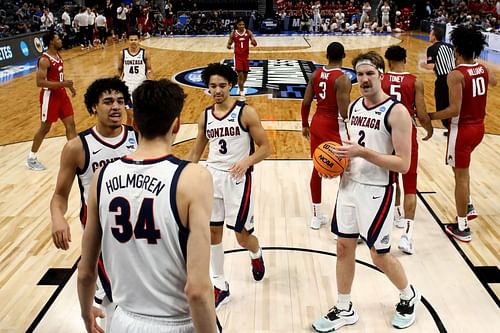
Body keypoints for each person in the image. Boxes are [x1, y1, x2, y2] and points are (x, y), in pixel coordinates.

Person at [77, 79, 219, 333]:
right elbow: (197, 290)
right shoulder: (194, 178)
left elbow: (87, 270)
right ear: (177, 124)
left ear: (134, 123)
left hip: (122, 321)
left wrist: (86, 311)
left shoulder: (102, 177)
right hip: (177, 323)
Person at [312, 51, 420, 332]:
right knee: (343, 247)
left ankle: (408, 295)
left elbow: (404, 164)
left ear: (381, 75)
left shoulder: (397, 112)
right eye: (359, 74)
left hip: (377, 190)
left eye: (370, 73)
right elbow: (351, 149)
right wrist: (333, 165)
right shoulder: (356, 106)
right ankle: (344, 307)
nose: (364, 79)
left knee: (379, 254)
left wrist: (363, 152)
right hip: (349, 185)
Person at [50, 77, 137, 331]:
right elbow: (59, 196)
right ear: (93, 108)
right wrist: (58, 217)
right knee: (112, 296)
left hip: (137, 227)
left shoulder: (137, 137)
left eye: (121, 101)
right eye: (108, 101)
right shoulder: (77, 147)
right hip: (100, 234)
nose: (116, 107)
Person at [187, 63, 271, 309]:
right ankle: (219, 284)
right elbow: (196, 150)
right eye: (212, 86)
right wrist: (182, 175)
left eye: (222, 86)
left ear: (231, 86)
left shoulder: (245, 113)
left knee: (242, 237)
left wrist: (246, 161)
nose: (217, 90)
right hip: (213, 177)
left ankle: (256, 253)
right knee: (213, 233)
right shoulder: (205, 115)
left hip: (238, 179)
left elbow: (266, 147)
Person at [429, 25, 497, 242]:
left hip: (462, 130)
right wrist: (478, 62)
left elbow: (454, 110)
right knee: (461, 172)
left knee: (460, 176)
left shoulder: (455, 75)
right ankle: (466, 204)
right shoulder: (483, 70)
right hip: (479, 128)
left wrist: (428, 116)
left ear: (457, 49)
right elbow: (494, 80)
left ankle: (462, 227)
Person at [382, 45, 433, 254]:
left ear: (388, 61)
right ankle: (407, 237)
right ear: (405, 58)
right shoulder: (415, 81)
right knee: (410, 183)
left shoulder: (381, 79)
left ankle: (393, 214)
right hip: (407, 134)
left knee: (388, 180)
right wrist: (429, 128)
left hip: (385, 133)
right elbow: (421, 113)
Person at [301, 42, 351, 230]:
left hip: (317, 123)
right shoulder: (342, 79)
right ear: (344, 55)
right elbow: (344, 112)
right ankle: (341, 221)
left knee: (318, 167)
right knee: (345, 171)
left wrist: (304, 123)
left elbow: (306, 102)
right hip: (334, 126)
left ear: (326, 55)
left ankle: (316, 215)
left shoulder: (315, 74)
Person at [27, 31, 76, 171]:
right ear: (51, 42)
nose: (60, 40)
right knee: (45, 128)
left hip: (62, 95)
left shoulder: (58, 55)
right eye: (58, 38)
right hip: (50, 97)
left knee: (70, 125)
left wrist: (70, 88)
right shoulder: (44, 60)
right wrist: (63, 84)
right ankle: (31, 158)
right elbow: (40, 82)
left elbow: (60, 77)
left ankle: (76, 154)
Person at [420, 26, 455, 135]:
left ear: (434, 37)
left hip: (443, 80)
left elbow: (431, 66)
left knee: (441, 106)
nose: (429, 36)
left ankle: (448, 127)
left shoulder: (432, 49)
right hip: (455, 78)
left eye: (430, 34)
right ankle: (453, 128)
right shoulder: (450, 46)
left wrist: (422, 65)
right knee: (452, 104)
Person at [118, 29, 153, 125]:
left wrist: (150, 81)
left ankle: (141, 135)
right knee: (130, 115)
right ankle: (129, 136)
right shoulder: (123, 53)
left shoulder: (145, 53)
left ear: (139, 40)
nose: (133, 42)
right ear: (128, 40)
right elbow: (119, 69)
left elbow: (149, 69)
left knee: (141, 115)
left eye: (135, 39)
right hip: (127, 87)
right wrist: (119, 82)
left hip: (141, 87)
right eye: (131, 40)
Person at [226, 18, 257, 100]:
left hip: (246, 57)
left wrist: (254, 42)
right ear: (237, 25)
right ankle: (242, 94)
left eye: (243, 24)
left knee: (245, 76)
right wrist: (229, 46)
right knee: (240, 75)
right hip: (238, 57)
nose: (242, 26)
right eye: (240, 25)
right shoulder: (233, 33)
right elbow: (229, 43)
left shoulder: (248, 32)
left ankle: (236, 85)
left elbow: (254, 42)